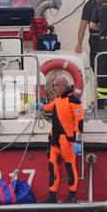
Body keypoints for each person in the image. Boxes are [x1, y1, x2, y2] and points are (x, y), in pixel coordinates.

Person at [36, 75, 84, 203]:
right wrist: (41, 106)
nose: (54, 88)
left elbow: (79, 123)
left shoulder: (74, 102)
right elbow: (49, 107)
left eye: (56, 85)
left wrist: (79, 141)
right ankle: (52, 196)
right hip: (55, 141)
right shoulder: (58, 100)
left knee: (70, 167)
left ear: (64, 85)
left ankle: (71, 196)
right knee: (53, 168)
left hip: (67, 141)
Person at [75, 0, 106, 71]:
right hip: (95, 39)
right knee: (96, 65)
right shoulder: (89, 6)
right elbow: (83, 25)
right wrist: (79, 44)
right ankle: (98, 84)